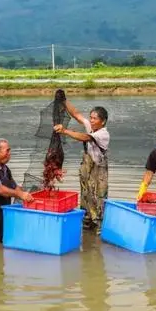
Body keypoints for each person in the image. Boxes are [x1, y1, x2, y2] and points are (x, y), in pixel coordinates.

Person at [54, 97, 110, 234]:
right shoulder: (91, 127)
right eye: (91, 117)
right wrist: (63, 100)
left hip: (99, 168)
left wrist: (65, 131)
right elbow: (77, 115)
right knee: (86, 193)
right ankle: (88, 221)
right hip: (86, 166)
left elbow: (85, 137)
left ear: (102, 121)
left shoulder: (103, 134)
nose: (91, 120)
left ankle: (100, 224)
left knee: (98, 194)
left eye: (95, 119)